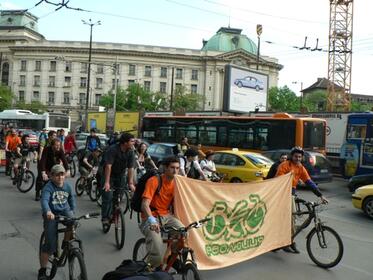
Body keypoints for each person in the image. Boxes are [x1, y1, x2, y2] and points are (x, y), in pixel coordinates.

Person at [275, 146, 328, 253]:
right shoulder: (284, 165)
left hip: (291, 194)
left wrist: (320, 195)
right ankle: (287, 242)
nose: (298, 158)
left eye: (300, 157)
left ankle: (288, 241)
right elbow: (279, 181)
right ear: (291, 156)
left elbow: (309, 182)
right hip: (282, 194)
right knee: (290, 220)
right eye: (296, 156)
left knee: (291, 220)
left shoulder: (300, 167)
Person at [140, 156, 184, 268]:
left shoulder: (177, 182)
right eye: (172, 168)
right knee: (157, 255)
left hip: (167, 216)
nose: (175, 171)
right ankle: (149, 270)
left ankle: (169, 256)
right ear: (165, 168)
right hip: (150, 217)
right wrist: (151, 220)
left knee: (184, 232)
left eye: (178, 168)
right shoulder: (154, 181)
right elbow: (145, 204)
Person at [38, 164, 76, 280]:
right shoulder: (48, 187)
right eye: (57, 175)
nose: (60, 178)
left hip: (64, 211)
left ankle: (66, 241)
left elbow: (71, 198)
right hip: (51, 214)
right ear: (52, 176)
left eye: (62, 175)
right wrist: (48, 212)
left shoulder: (67, 186)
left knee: (72, 221)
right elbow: (44, 200)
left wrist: (72, 210)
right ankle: (43, 270)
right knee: (50, 245)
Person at [101, 133, 136, 226]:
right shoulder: (113, 149)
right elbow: (108, 166)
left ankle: (114, 215)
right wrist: (107, 182)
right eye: (132, 141)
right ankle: (105, 217)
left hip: (120, 175)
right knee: (108, 196)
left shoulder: (131, 151)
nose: (134, 143)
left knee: (118, 197)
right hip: (108, 174)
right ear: (125, 142)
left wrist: (131, 183)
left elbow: (131, 168)